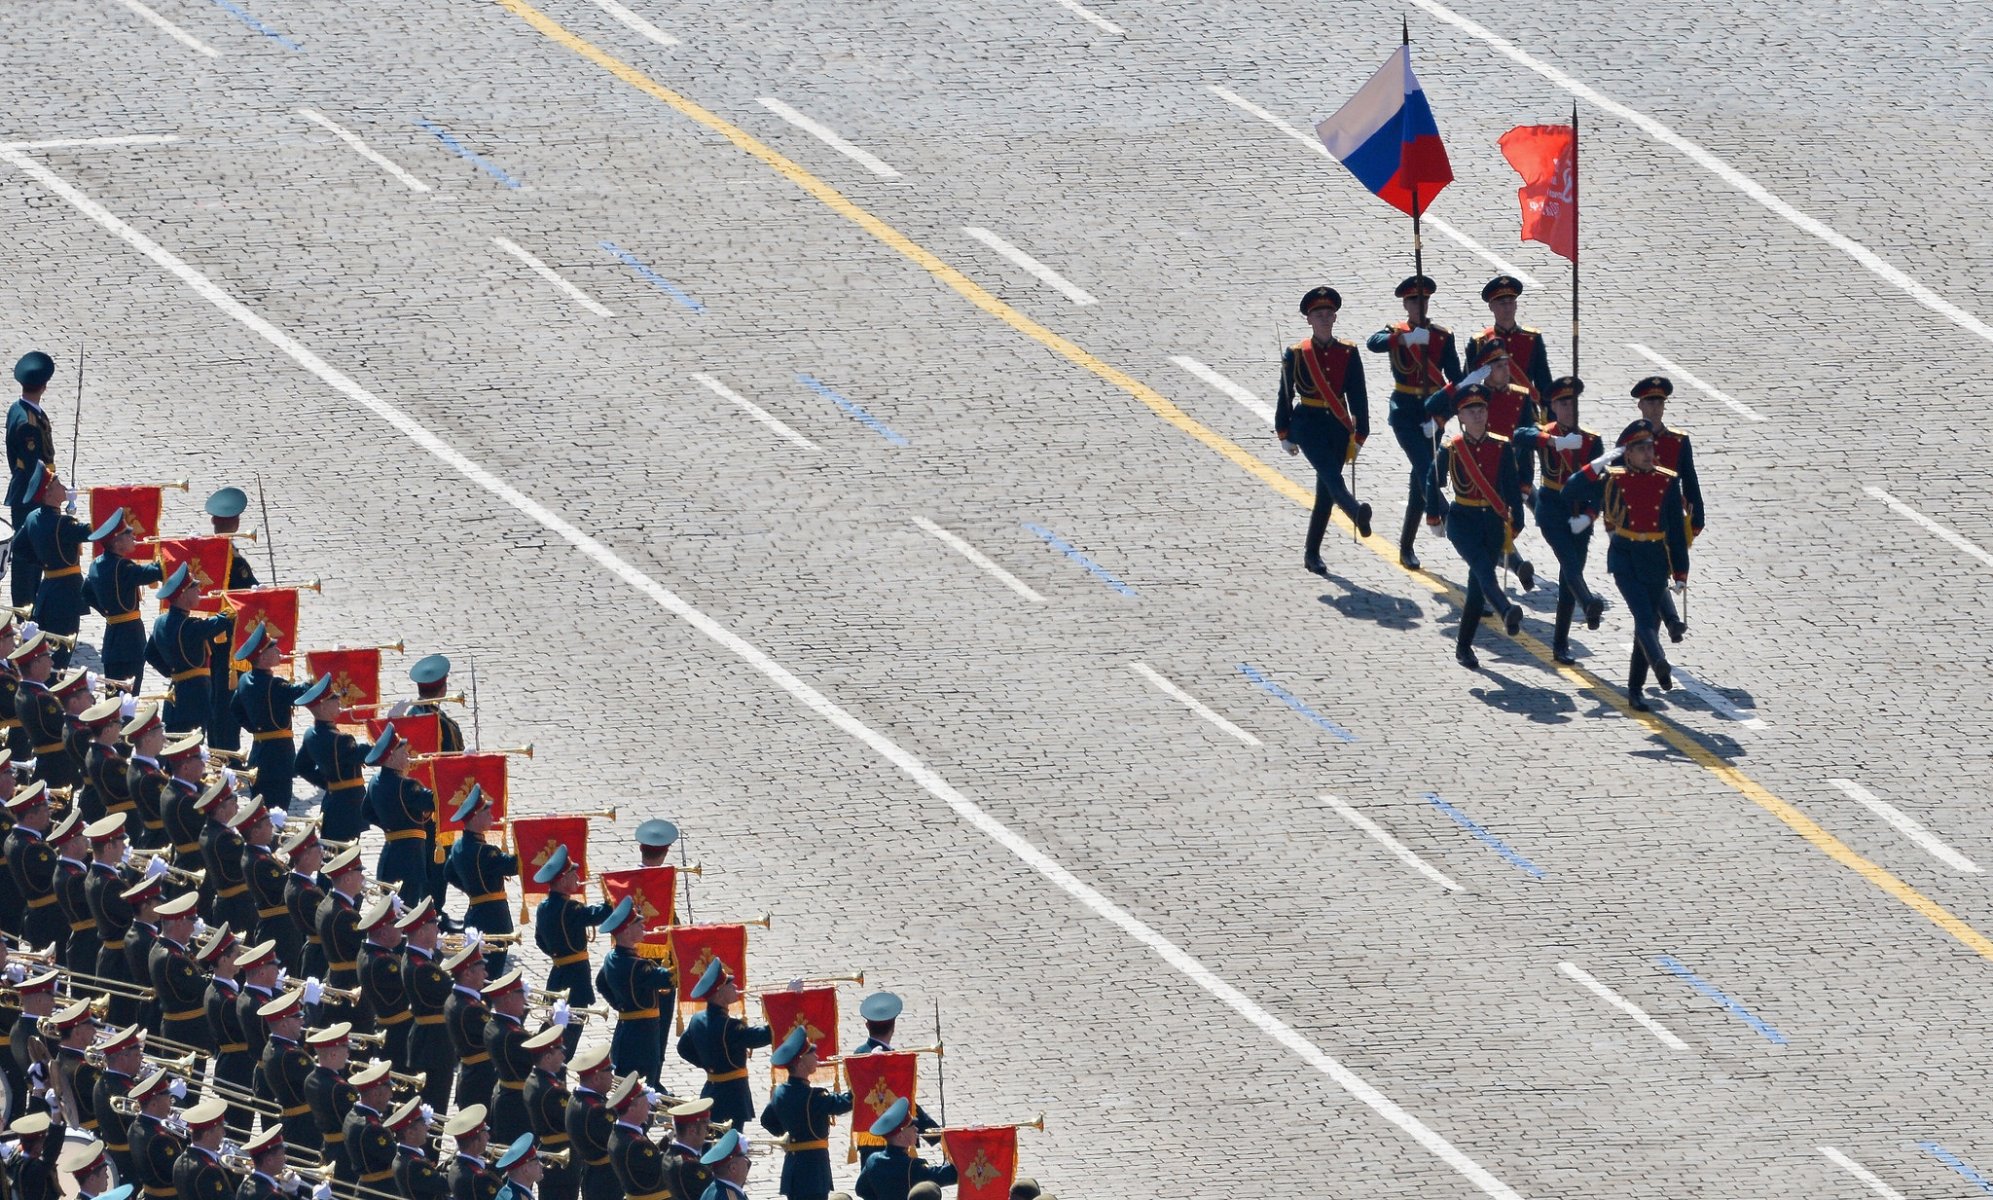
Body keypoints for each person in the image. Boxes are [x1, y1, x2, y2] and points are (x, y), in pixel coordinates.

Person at [1570, 420, 1690, 711]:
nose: (1648, 453)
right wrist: (1598, 463)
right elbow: (1571, 492)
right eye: (1640, 448)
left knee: (1648, 621)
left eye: (1650, 446)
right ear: (1627, 454)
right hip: (1625, 558)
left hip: (1655, 558)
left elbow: (1675, 530)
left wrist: (1681, 571)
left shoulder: (1667, 481)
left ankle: (1635, 689)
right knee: (1643, 616)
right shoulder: (1613, 479)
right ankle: (1659, 660)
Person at [1422, 385, 1526, 670]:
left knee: (1477, 587)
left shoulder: (1501, 446)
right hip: (1462, 521)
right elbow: (1432, 480)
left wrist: (1517, 519)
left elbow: (1511, 486)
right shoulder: (1452, 448)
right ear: (1461, 417)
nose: (1478, 414)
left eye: (1481, 409)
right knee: (1483, 569)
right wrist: (1433, 516)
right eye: (1471, 410)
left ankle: (1464, 646)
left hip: (1492, 522)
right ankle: (1505, 610)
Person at [1366, 275, 1461, 568]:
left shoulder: (1442, 336)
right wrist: (1405, 338)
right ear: (1406, 305)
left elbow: (1456, 383)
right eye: (1414, 301)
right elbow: (1373, 343)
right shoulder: (1397, 333)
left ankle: (1406, 546)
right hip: (1405, 413)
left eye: (1424, 301)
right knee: (1426, 470)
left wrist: (1443, 417)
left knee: (1418, 481)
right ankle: (1452, 521)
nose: (1419, 306)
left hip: (1431, 415)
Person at [1275, 286, 1372, 575]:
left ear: (1335, 316)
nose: (1324, 317)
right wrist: (1284, 432)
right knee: (1331, 476)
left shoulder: (1348, 352)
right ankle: (1355, 512)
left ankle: (1311, 553)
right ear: (1309, 319)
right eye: (1318, 313)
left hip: (1338, 426)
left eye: (1329, 312)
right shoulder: (1296, 353)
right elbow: (1285, 394)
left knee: (1325, 492)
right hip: (1307, 424)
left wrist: (1360, 434)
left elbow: (1358, 395)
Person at [1511, 377, 1606, 663]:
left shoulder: (1591, 440)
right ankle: (1588, 603)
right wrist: (1554, 442)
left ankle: (1560, 643)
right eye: (1564, 403)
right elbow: (1519, 436)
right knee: (1569, 563)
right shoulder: (1546, 434)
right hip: (1551, 508)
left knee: (1569, 578)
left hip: (1579, 513)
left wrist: (1590, 516)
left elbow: (1601, 487)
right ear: (1553, 406)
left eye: (1573, 403)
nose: (1569, 408)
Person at [1631, 376, 1701, 640]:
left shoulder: (1678, 441)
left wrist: (1697, 519)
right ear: (1640, 406)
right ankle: (1670, 623)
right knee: (1655, 579)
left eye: (1660, 402)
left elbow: (1690, 481)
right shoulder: (1630, 441)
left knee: (1656, 582)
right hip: (1639, 524)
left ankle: (1653, 645)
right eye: (1650, 402)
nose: (1656, 407)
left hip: (1669, 523)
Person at [233, 629, 327, 812]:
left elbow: (235, 708)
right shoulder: (274, 686)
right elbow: (304, 693)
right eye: (273, 649)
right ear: (263, 657)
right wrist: (320, 668)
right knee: (277, 810)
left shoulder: (244, 680)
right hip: (278, 758)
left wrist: (255, 728)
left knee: (260, 809)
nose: (279, 652)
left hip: (258, 752)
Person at [676, 959, 772, 1135]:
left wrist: (707, 1063)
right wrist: (785, 1004)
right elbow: (762, 1036)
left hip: (711, 1088)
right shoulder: (730, 1026)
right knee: (729, 1147)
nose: (735, 987)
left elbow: (683, 1048)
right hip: (733, 1094)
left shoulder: (697, 1019)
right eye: (730, 985)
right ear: (719, 994)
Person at [532, 845, 609, 1057]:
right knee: (570, 1032)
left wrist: (559, 952)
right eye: (573, 874)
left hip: (558, 973)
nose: (578, 878)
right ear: (563, 879)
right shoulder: (570, 908)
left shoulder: (544, 907)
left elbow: (539, 940)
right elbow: (600, 914)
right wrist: (612, 893)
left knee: (555, 1025)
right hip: (576, 977)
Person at [760, 1027, 850, 1200]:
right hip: (813, 1171)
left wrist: (792, 1133)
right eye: (812, 1053)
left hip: (793, 1169)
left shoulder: (780, 1092)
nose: (817, 1057)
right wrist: (860, 1075)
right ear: (801, 1062)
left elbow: (767, 1120)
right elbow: (845, 1103)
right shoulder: (813, 1097)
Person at [201, 486, 259, 754]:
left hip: (205, 639)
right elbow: (250, 597)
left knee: (214, 700)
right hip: (229, 644)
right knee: (226, 703)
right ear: (236, 522)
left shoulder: (203, 554)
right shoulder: (235, 562)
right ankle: (225, 755)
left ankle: (216, 749)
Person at [16, 464, 91, 668]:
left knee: (47, 653)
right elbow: (94, 531)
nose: (64, 486)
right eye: (58, 484)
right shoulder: (62, 524)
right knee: (60, 658)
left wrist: (44, 559)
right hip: (66, 596)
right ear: (48, 493)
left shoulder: (32, 518)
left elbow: (19, 547)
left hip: (47, 591)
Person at [146, 564, 233, 736]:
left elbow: (150, 654)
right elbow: (220, 622)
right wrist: (235, 603)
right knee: (189, 753)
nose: (200, 590)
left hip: (177, 692)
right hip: (194, 698)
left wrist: (173, 671)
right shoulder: (188, 625)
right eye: (195, 587)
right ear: (184, 594)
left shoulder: (160, 622)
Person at [596, 897, 669, 1089]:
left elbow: (601, 982)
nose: (644, 925)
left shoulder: (612, 957)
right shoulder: (637, 966)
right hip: (643, 1037)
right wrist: (682, 947)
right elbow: (671, 978)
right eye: (639, 923)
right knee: (641, 1090)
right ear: (627, 931)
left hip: (626, 1029)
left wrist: (619, 1003)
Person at [444, 785, 515, 970]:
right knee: (491, 975)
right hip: (493, 918)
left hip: (474, 912)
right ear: (475, 817)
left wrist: (472, 887)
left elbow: (448, 873)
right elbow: (514, 865)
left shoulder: (458, 846)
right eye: (487, 812)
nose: (492, 816)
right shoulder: (485, 851)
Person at [7, 351, 57, 608]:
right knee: (28, 554)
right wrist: (52, 489)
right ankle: (25, 606)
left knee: (32, 551)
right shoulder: (27, 422)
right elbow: (32, 468)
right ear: (44, 386)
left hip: (31, 491)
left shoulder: (20, 409)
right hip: (32, 494)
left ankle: (30, 603)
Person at [365, 724, 433, 904]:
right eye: (403, 752)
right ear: (391, 757)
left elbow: (367, 812)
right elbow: (436, 800)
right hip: (409, 860)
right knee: (406, 913)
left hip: (390, 855)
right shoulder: (407, 786)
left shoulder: (374, 782)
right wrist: (449, 769)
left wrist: (392, 824)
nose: (408, 756)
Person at [401, 896, 457, 1111]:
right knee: (435, 1106)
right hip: (433, 1044)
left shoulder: (420, 957)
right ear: (422, 931)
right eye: (434, 925)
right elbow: (452, 989)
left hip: (431, 1040)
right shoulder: (421, 966)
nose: (438, 929)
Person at [296, 683, 367, 841]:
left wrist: (328, 783)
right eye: (333, 699)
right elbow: (372, 754)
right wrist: (387, 727)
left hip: (332, 800)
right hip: (348, 805)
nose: (339, 702)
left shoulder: (311, 734)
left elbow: (301, 766)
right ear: (322, 708)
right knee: (344, 859)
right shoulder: (341, 740)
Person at [854, 1099, 955, 1200]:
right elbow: (951, 1174)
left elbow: (861, 1189)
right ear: (900, 1137)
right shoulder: (912, 1167)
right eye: (911, 1126)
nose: (916, 1129)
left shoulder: (873, 1160)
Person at [357, 896, 413, 1069]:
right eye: (395, 925)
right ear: (383, 933)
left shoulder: (371, 952)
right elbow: (413, 984)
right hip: (398, 1032)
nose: (401, 928)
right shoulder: (383, 963)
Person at [521, 1028, 576, 1200]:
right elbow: (574, 1119)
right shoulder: (552, 1091)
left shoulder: (533, 1080)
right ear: (547, 1057)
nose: (564, 1057)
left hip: (548, 1151)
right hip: (561, 1161)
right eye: (560, 1051)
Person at [562, 1044, 619, 1200]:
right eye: (609, 1072)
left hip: (593, 1175)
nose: (613, 1077)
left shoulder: (577, 1098)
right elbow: (621, 1138)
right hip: (607, 1180)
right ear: (596, 1078)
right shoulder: (596, 1109)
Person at [605, 1075, 671, 1200]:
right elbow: (663, 1167)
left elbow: (650, 1157)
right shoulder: (634, 1143)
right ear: (631, 1109)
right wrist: (682, 1145)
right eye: (645, 1103)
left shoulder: (622, 1133)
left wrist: (668, 1139)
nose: (649, 1106)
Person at [168, 1098, 232, 1200]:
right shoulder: (208, 1169)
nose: (224, 1133)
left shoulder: (180, 1161)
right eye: (221, 1129)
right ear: (207, 1135)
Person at [390, 1097, 449, 1200]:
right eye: (423, 1124)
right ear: (410, 1133)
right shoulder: (413, 1163)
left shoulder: (406, 1155)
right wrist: (462, 1157)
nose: (427, 1128)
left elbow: (433, 1176)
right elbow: (445, 1185)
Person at [697, 1128, 750, 1200]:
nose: (747, 1161)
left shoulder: (711, 1188)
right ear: (733, 1168)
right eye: (743, 1157)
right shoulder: (730, 1197)